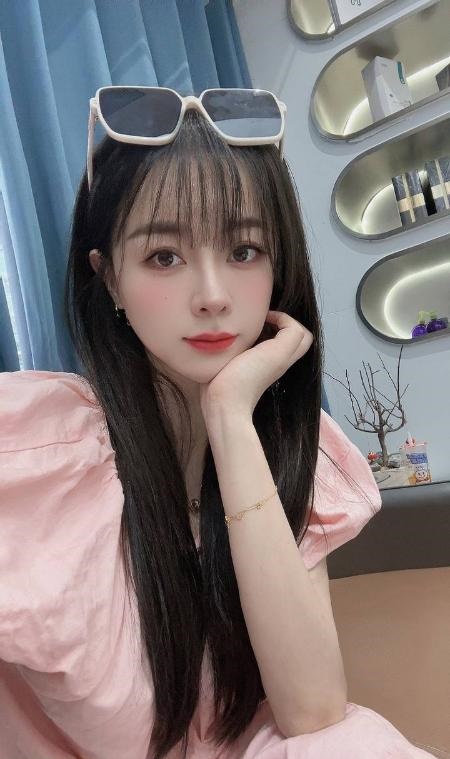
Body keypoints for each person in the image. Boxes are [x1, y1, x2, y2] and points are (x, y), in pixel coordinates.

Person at [0, 87, 436, 759]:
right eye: (163, 257)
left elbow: (313, 710)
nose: (212, 296)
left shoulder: (292, 445)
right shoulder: (36, 447)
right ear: (108, 278)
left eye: (244, 250)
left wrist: (230, 418)